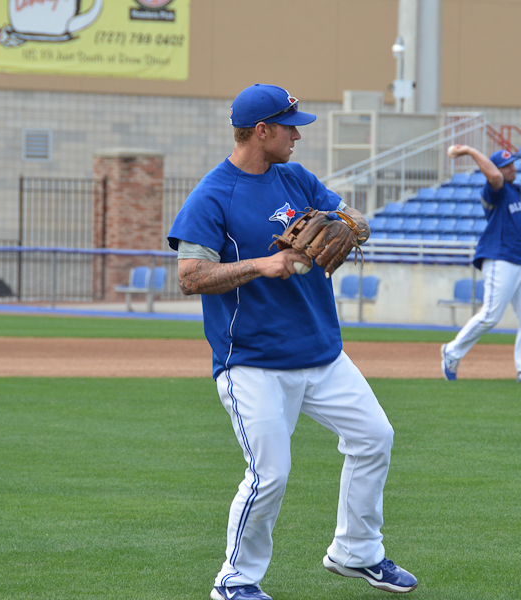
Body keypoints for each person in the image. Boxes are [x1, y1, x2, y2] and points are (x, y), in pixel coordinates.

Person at [167, 83, 418, 600]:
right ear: (261, 131)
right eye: (290, 128)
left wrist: (346, 225)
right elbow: (190, 276)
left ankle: (356, 551)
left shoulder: (297, 178)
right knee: (270, 474)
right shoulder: (212, 195)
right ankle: (235, 580)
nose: (297, 136)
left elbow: (357, 221)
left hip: (322, 353)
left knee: (375, 437)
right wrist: (264, 264)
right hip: (253, 361)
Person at [440, 145, 521, 384]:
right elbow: (494, 176)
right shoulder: (496, 190)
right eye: (505, 165)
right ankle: (452, 351)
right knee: (491, 314)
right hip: (501, 258)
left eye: (512, 163)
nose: (512, 168)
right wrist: (470, 151)